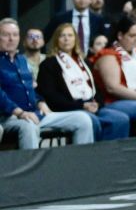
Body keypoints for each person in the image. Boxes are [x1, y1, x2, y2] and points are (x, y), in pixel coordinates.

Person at [0, 17, 97, 147]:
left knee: (82, 119)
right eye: (6, 35)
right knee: (29, 126)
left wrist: (40, 102)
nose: (11, 39)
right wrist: (20, 112)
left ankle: (81, 164)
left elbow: (32, 88)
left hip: (34, 113)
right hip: (9, 117)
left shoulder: (21, 60)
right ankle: (32, 167)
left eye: (15, 35)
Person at [36, 21, 132, 140]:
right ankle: (96, 155)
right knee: (92, 121)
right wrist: (82, 105)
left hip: (92, 106)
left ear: (75, 39)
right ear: (56, 40)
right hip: (70, 109)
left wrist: (97, 103)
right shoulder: (48, 64)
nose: (66, 39)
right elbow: (52, 97)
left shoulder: (85, 62)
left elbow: (97, 89)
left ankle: (113, 155)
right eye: (62, 36)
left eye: (70, 35)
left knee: (120, 119)